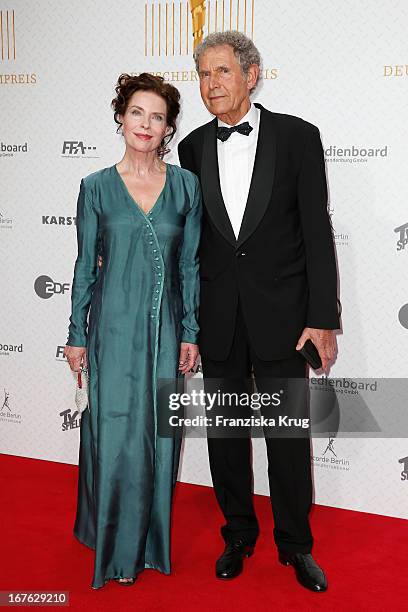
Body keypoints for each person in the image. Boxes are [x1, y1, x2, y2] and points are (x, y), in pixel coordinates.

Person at [178, 31, 339, 592]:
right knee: (224, 436)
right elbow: (195, 243)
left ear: (251, 74)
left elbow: (318, 234)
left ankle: (295, 546)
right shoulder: (192, 147)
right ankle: (238, 534)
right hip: (218, 314)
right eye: (202, 74)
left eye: (221, 71)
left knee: (287, 438)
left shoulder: (298, 137)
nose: (211, 84)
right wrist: (187, 322)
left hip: (284, 315)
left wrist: (323, 317)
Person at [64, 73, 201, 589]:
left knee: (159, 436)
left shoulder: (187, 185)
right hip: (112, 330)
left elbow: (188, 267)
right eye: (137, 112)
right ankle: (109, 539)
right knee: (114, 432)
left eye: (158, 116)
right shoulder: (95, 186)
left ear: (168, 128)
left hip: (166, 332)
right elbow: (84, 266)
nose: (146, 124)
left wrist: (190, 331)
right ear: (121, 117)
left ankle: (149, 541)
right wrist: (77, 332)